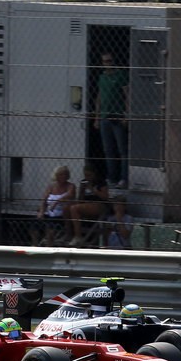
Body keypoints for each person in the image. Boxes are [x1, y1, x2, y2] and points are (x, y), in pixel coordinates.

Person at [93, 52, 129, 189]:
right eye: (105, 61)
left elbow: (127, 95)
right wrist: (97, 117)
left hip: (118, 116)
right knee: (108, 150)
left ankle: (123, 178)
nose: (107, 63)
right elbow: (99, 97)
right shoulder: (102, 77)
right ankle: (112, 178)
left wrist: (126, 115)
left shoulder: (120, 75)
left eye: (109, 60)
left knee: (122, 150)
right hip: (104, 117)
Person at [32, 165, 75, 246]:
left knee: (50, 229)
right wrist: (41, 211)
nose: (64, 176)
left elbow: (69, 195)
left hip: (61, 215)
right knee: (35, 224)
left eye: (66, 174)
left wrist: (56, 202)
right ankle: (35, 245)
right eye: (61, 174)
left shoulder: (71, 186)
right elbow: (44, 200)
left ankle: (49, 247)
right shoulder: (51, 186)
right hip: (49, 213)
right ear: (56, 176)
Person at [67, 163, 109, 247]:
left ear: (94, 174)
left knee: (74, 208)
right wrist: (82, 190)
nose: (87, 177)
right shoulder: (84, 182)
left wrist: (93, 190)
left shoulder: (101, 182)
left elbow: (106, 197)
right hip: (86, 204)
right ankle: (69, 234)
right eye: (85, 175)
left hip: (99, 205)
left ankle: (78, 236)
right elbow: (80, 199)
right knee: (66, 209)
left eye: (89, 175)